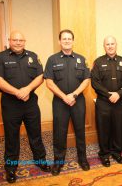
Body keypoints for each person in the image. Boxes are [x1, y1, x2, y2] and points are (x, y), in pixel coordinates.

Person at [0, 31, 50, 183]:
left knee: (35, 133)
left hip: (30, 103)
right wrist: (17, 92)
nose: (18, 42)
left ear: (25, 41)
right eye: (15, 40)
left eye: (21, 40)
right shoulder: (0, 57)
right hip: (10, 104)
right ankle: (10, 167)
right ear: (9, 41)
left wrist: (27, 90)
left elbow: (40, 76)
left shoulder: (33, 56)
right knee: (11, 137)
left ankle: (40, 160)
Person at [44, 29, 90, 175]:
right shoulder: (52, 59)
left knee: (80, 131)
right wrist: (64, 97)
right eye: (64, 38)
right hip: (60, 102)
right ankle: (58, 162)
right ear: (59, 41)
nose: (67, 41)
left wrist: (74, 95)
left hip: (78, 101)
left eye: (69, 38)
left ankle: (83, 159)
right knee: (59, 133)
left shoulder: (81, 59)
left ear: (73, 41)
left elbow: (86, 79)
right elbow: (49, 82)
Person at [91, 36, 122, 167]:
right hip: (104, 102)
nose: (110, 46)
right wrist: (108, 94)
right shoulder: (98, 62)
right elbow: (95, 82)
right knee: (103, 130)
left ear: (116, 45)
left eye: (112, 44)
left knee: (118, 128)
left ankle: (117, 153)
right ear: (104, 46)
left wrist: (119, 93)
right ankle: (104, 154)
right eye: (107, 44)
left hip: (119, 101)